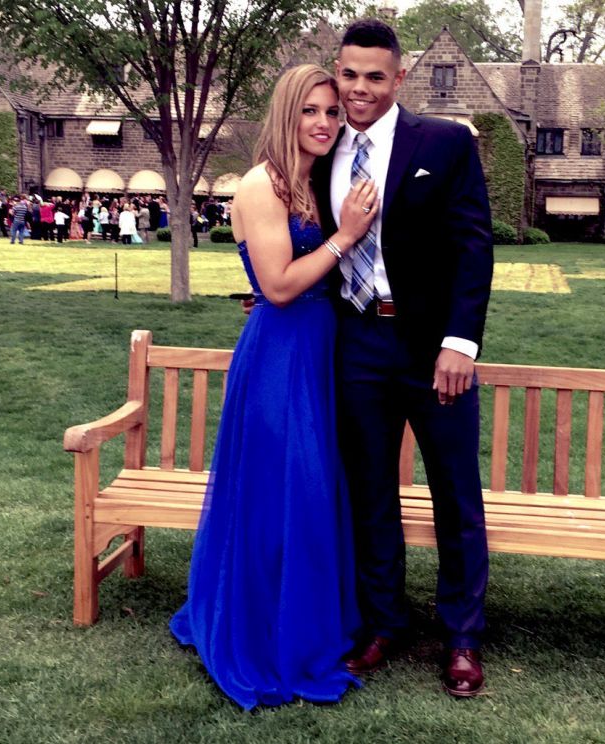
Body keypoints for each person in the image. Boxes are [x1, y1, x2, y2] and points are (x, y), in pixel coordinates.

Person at [170, 63, 379, 711]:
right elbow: (281, 286)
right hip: (281, 358)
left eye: (331, 112)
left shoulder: (315, 180)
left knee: (312, 494)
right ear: (286, 115)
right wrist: (345, 236)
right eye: (309, 111)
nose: (324, 122)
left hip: (320, 350)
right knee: (284, 493)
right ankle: (266, 630)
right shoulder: (261, 185)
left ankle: (310, 620)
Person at [312, 20, 494, 698]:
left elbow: (474, 247)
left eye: (374, 76)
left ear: (399, 77)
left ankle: (462, 637)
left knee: (455, 491)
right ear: (337, 71)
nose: (358, 89)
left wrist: (460, 342)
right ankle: (383, 623)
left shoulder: (443, 143)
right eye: (348, 75)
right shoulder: (321, 148)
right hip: (356, 342)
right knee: (369, 490)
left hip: (432, 348)